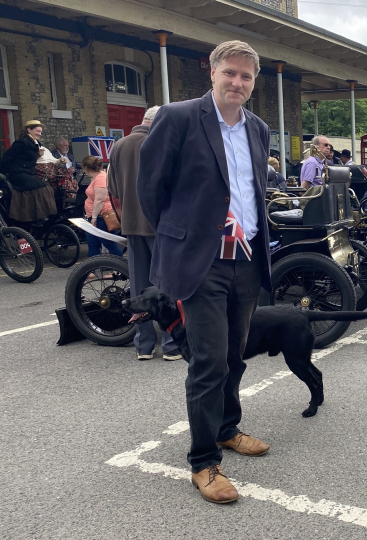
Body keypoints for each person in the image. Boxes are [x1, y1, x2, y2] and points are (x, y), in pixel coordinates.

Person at [137, 40, 272, 504]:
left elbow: (253, 190)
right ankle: (203, 461)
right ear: (211, 73)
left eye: (246, 76)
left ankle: (227, 428)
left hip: (248, 259)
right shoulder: (177, 118)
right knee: (209, 360)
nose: (237, 82)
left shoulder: (257, 128)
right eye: (230, 73)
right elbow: (150, 189)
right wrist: (182, 237)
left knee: (235, 354)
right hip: (204, 261)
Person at [107, 105, 181, 362]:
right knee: (167, 284)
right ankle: (172, 344)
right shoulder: (161, 142)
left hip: (131, 222)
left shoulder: (119, 145)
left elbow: (113, 189)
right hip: (162, 223)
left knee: (139, 285)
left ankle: (144, 345)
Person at [0, 120, 57, 221]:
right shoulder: (21, 143)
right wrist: (5, 174)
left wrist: (37, 154)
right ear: (29, 130)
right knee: (42, 187)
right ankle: (35, 216)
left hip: (28, 173)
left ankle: (40, 215)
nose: (39, 134)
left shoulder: (35, 143)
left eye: (40, 132)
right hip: (18, 173)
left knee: (47, 186)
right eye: (37, 131)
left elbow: (28, 158)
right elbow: (6, 158)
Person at [82, 156, 123, 258]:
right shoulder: (99, 177)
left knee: (109, 243)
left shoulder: (100, 178)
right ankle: (91, 270)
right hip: (95, 215)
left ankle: (119, 269)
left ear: (86, 167)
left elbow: (100, 199)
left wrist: (94, 217)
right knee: (93, 243)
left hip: (102, 216)